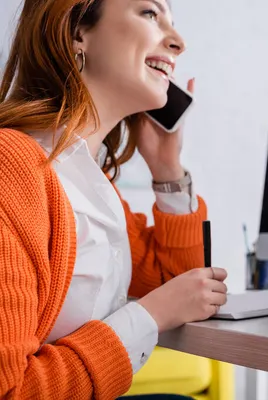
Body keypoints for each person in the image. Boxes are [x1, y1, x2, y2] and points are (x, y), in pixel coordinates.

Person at [0, 0, 228, 398]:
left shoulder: (92, 187)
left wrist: (167, 169)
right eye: (150, 14)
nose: (178, 42)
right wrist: (150, 315)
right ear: (77, 32)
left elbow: (185, 287)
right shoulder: (11, 168)